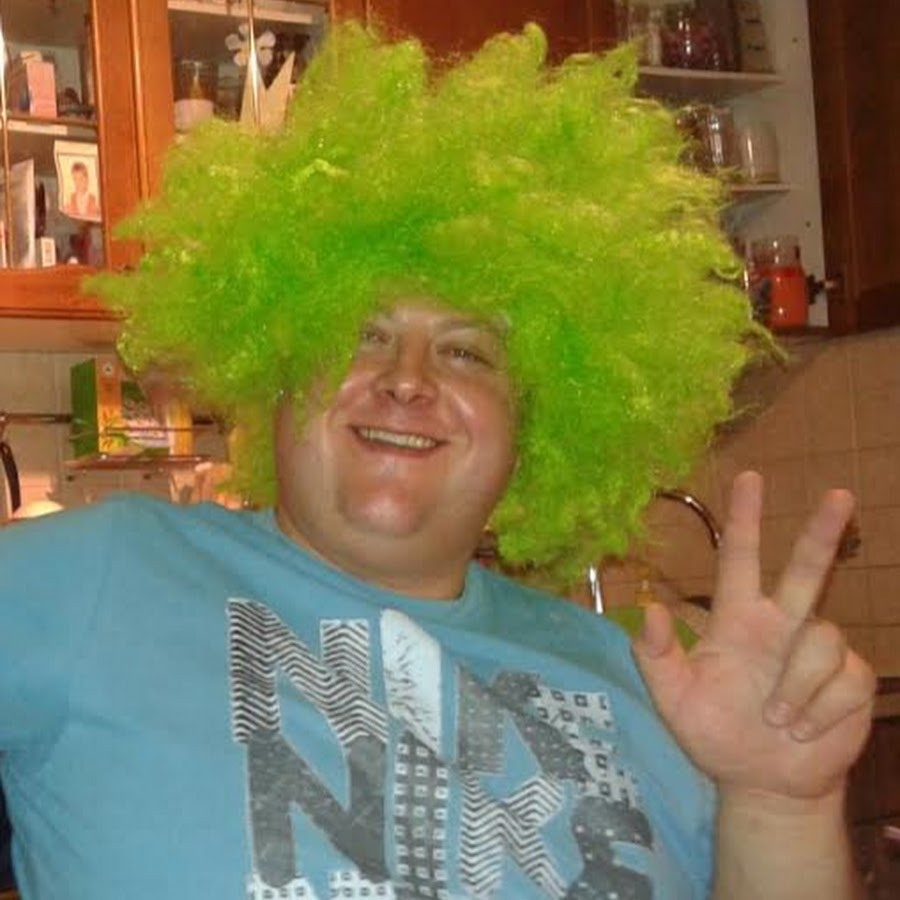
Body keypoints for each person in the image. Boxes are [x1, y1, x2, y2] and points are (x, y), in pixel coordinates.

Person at [0, 23, 874, 900]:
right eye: (360, 335)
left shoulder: (644, 681)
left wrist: (779, 803)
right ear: (274, 374)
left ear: (532, 425)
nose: (408, 380)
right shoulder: (107, 576)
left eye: (465, 353)